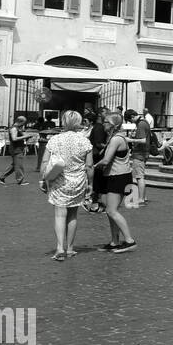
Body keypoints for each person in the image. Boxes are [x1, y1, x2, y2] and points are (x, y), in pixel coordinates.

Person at [40, 111, 93, 261]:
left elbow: (45, 162)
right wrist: (91, 183)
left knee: (59, 214)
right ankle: (70, 248)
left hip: (59, 180)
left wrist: (42, 179)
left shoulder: (55, 139)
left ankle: (59, 247)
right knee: (73, 214)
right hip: (77, 181)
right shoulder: (84, 140)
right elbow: (89, 166)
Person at [95, 112, 136, 252]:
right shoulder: (112, 137)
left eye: (106, 122)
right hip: (113, 175)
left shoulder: (116, 139)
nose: (104, 124)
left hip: (119, 176)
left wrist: (90, 167)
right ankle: (115, 242)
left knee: (112, 210)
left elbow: (106, 160)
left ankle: (130, 241)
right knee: (110, 211)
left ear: (114, 124)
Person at [0, 116, 31, 187]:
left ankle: (1, 176)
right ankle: (20, 180)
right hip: (15, 149)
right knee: (19, 165)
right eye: (24, 123)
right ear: (20, 122)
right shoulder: (14, 128)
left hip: (17, 148)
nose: (24, 124)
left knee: (15, 165)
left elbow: (21, 135)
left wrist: (26, 136)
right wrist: (25, 137)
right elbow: (14, 138)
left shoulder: (17, 128)